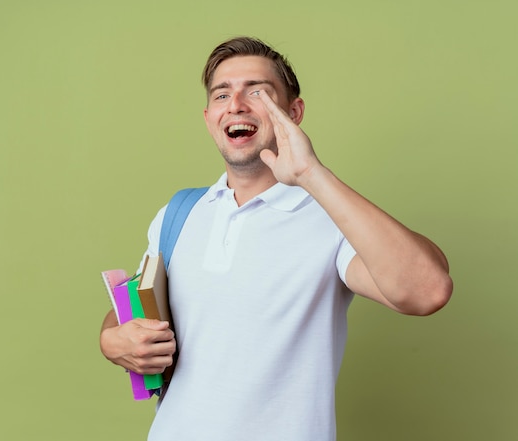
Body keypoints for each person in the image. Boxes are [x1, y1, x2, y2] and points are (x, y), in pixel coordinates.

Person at [100, 36, 452, 441]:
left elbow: (427, 290)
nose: (236, 104)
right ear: (209, 116)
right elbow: (131, 308)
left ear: (293, 111)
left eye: (258, 92)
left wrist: (310, 174)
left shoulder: (333, 218)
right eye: (222, 94)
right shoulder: (178, 213)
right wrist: (113, 340)